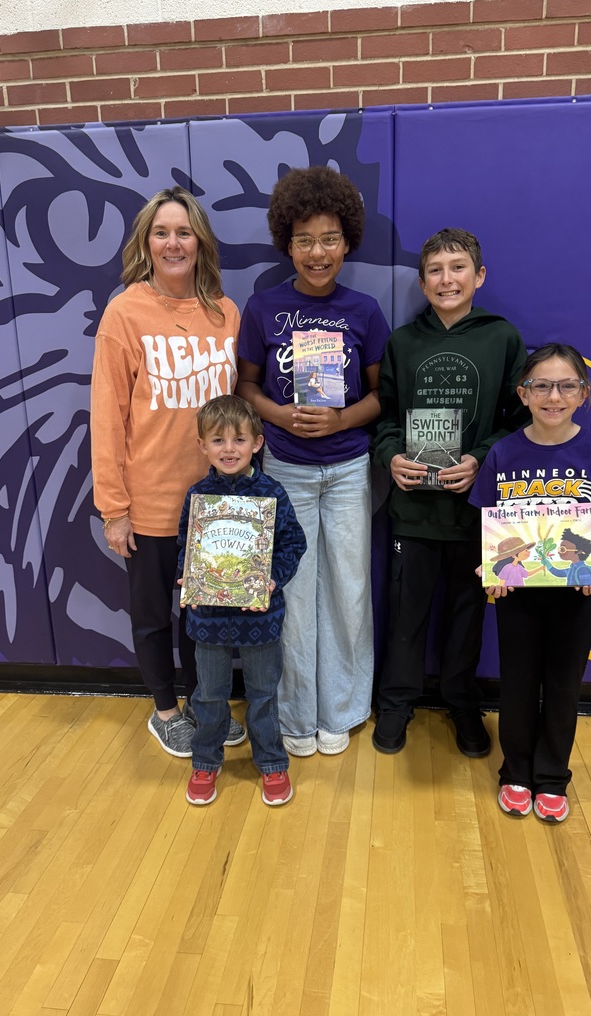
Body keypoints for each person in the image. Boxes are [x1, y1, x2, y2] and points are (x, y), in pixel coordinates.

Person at [236, 166, 390, 757]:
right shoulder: (263, 307)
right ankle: (296, 716)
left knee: (349, 591)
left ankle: (342, 710)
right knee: (294, 594)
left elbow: (381, 396)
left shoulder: (364, 310)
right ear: (288, 243)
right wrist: (279, 415)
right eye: (304, 240)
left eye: (329, 239)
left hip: (349, 469)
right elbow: (246, 387)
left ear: (347, 242)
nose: (317, 252)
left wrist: (341, 420)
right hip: (286, 468)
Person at [90, 185, 245, 758]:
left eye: (184, 232)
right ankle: (164, 711)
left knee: (204, 619)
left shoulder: (225, 313)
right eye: (162, 233)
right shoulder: (125, 312)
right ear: (146, 243)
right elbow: (107, 417)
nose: (173, 243)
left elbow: (238, 412)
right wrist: (114, 508)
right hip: (151, 500)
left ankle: (206, 704)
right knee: (155, 617)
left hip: (213, 502)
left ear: (201, 242)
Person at [372, 227, 530, 756]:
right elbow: (384, 417)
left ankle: (461, 701)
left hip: (473, 510)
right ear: (422, 282)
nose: (447, 279)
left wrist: (480, 459)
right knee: (406, 615)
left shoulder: (502, 338)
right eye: (435, 271)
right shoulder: (402, 342)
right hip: (413, 508)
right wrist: (391, 456)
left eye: (458, 267)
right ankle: (396, 701)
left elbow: (519, 420)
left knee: (467, 615)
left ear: (478, 276)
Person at [469, 344, 591, 822]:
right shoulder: (504, 453)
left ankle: (551, 777)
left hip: (578, 592)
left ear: (584, 394)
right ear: (523, 393)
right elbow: (489, 522)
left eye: (566, 386)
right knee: (518, 682)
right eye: (541, 385)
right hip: (517, 591)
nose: (553, 396)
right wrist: (491, 566)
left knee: (564, 684)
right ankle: (516, 773)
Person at [178, 396, 306, 806]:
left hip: (260, 617)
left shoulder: (272, 493)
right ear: (202, 446)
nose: (229, 449)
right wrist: (188, 576)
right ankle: (205, 761)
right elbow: (185, 545)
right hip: (208, 618)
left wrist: (272, 580)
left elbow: (294, 544)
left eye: (239, 439)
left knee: (264, 695)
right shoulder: (198, 496)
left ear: (257, 443)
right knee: (209, 695)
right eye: (218, 440)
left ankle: (271, 762)